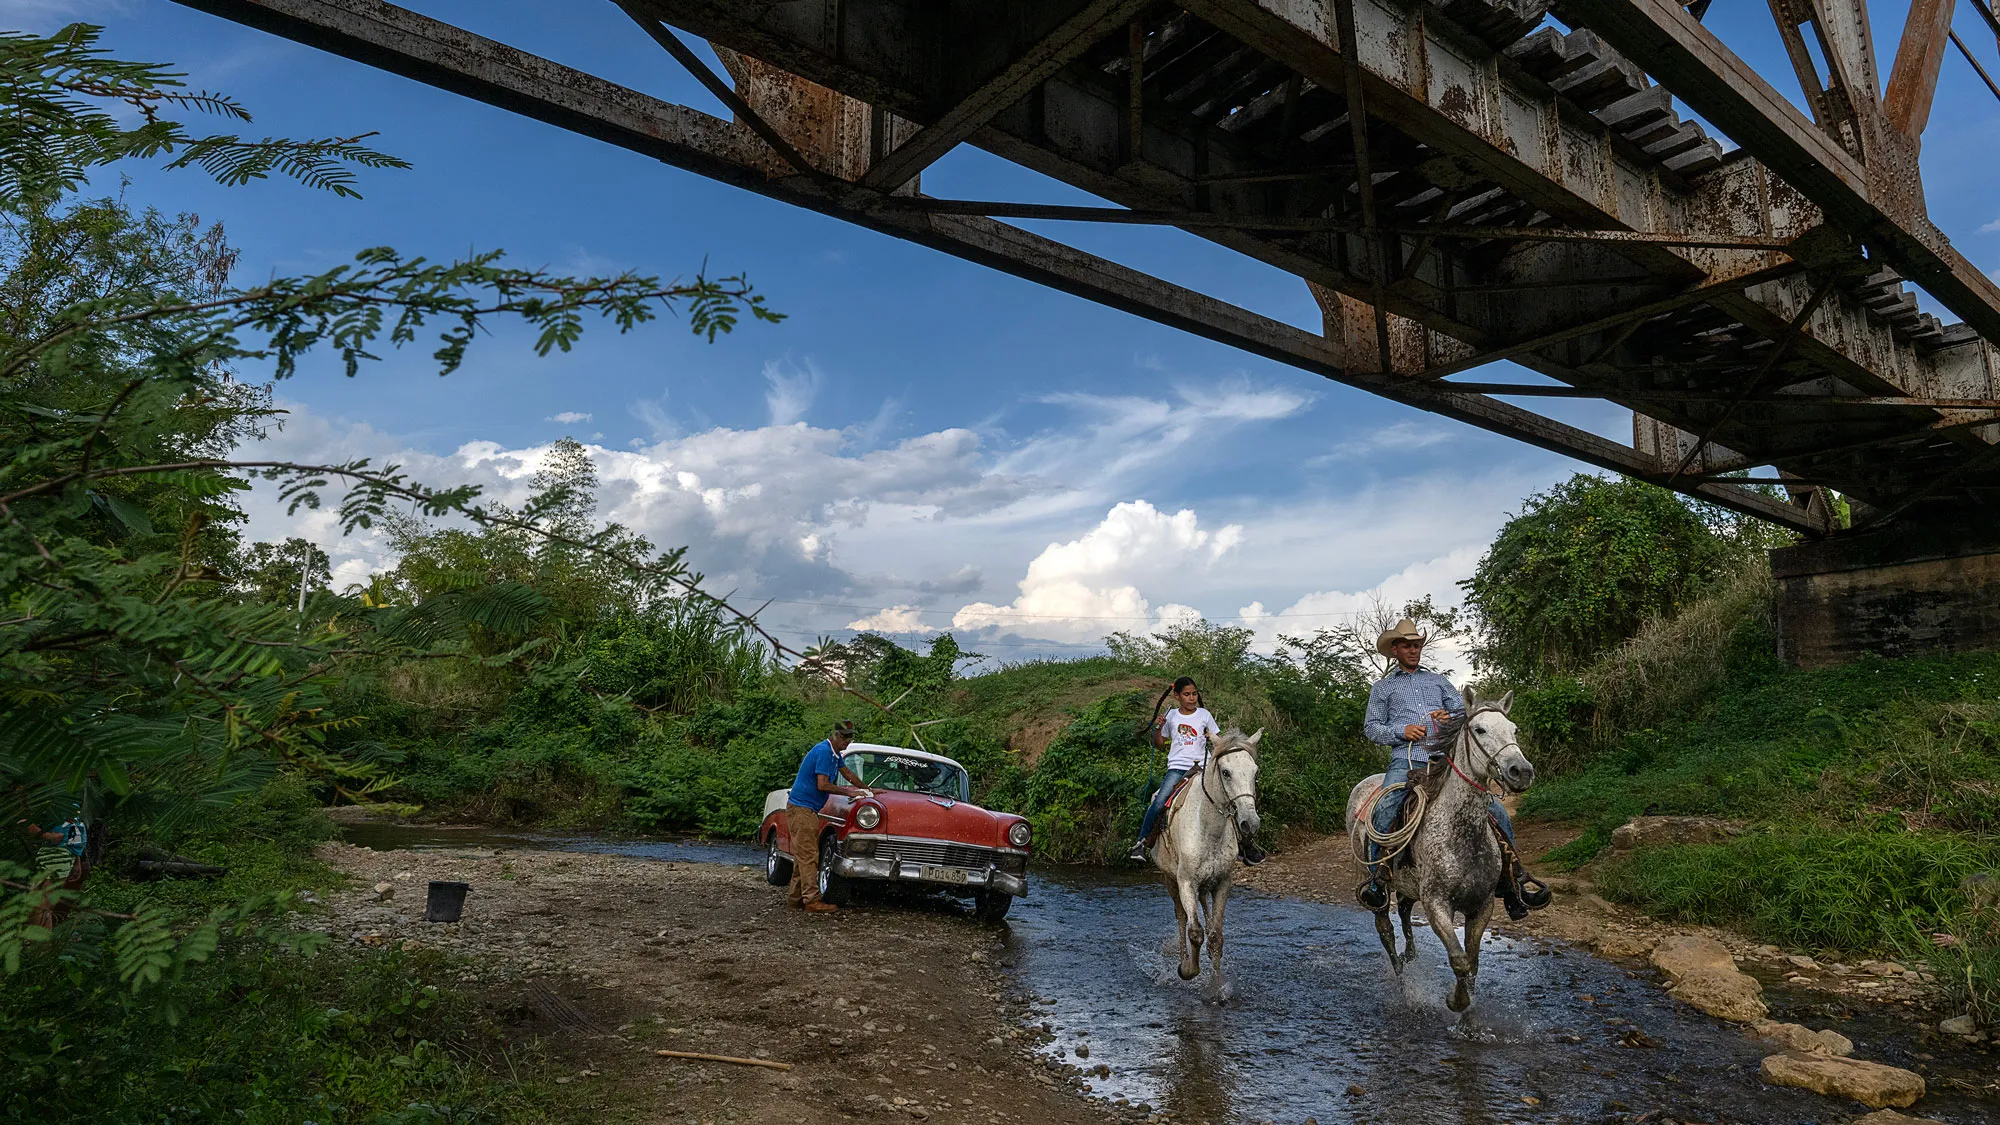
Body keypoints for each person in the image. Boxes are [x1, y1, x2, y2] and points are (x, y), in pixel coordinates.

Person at [1358, 619, 1542, 920]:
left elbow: (1465, 716)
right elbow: (1372, 728)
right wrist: (1403, 730)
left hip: (1447, 761)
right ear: (1395, 650)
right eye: (1407, 645)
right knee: (1386, 808)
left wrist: (1449, 718)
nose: (1414, 650)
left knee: (1496, 812)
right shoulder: (1383, 688)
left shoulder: (1439, 682)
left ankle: (1512, 883)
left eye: (1417, 644)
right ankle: (1378, 878)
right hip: (1407, 760)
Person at [1125, 677, 1267, 866]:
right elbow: (1159, 745)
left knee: (1229, 800)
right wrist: (1158, 728)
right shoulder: (1172, 716)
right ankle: (1142, 842)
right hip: (1178, 767)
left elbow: (1219, 740)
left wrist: (1212, 737)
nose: (1191, 698)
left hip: (1203, 767)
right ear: (1177, 696)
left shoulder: (1204, 715)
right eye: (1186, 694)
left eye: (1194, 694)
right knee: (1160, 802)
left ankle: (1245, 846)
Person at [785, 719, 870, 913]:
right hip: (802, 809)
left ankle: (795, 898)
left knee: (803, 856)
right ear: (836, 735)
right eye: (845, 737)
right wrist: (850, 793)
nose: (847, 741)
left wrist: (866, 789)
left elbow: (847, 772)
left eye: (850, 737)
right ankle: (812, 901)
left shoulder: (835, 754)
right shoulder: (824, 752)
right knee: (809, 856)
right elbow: (822, 784)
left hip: (807, 809)